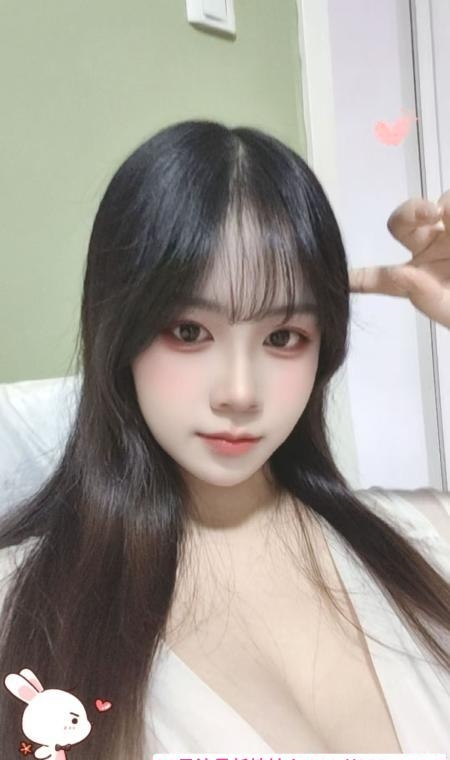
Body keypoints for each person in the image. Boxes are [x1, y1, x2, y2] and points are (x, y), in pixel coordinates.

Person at [0, 120, 448, 758]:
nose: (239, 393)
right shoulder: (23, 608)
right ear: (117, 329)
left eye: (283, 336)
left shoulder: (427, 537)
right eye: (189, 332)